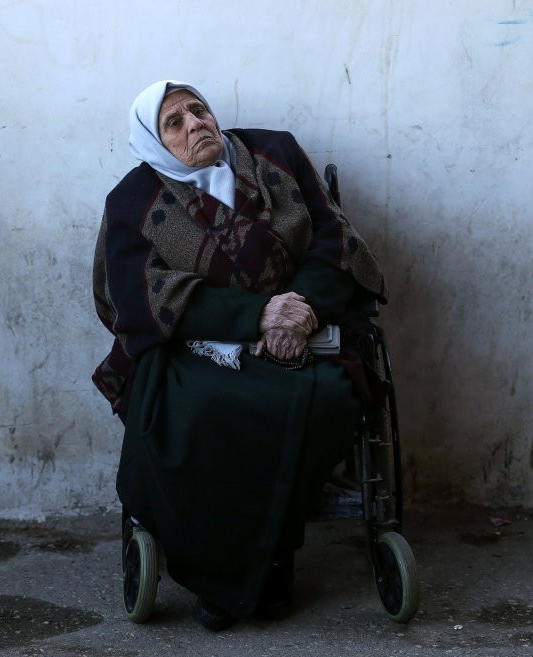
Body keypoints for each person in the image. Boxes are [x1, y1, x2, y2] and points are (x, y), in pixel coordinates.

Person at [91, 80, 388, 630]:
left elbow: (333, 239)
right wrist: (255, 317)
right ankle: (233, 571)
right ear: (152, 142)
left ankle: (265, 561)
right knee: (200, 413)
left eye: (197, 111)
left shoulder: (274, 153)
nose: (195, 126)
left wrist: (299, 310)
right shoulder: (134, 202)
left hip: (304, 329)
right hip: (194, 349)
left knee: (328, 397)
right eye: (173, 124)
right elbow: (141, 297)